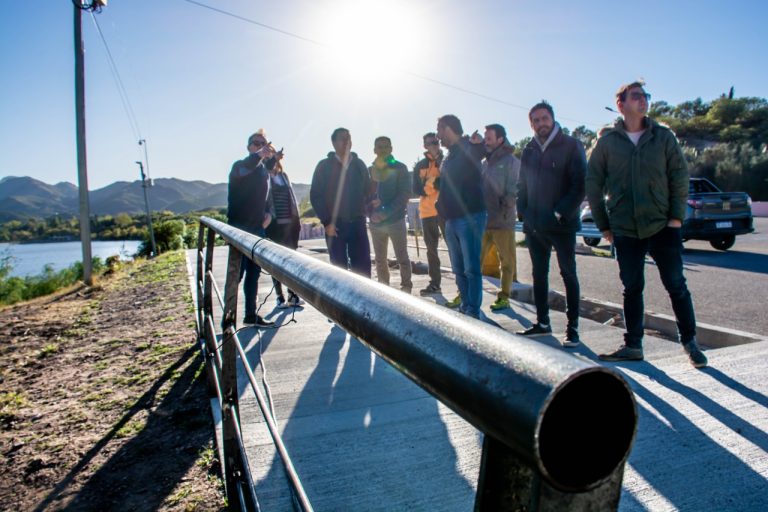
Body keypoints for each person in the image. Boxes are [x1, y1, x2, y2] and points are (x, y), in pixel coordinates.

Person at [586, 80, 707, 368]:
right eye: (636, 96)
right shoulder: (607, 143)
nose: (643, 101)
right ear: (621, 104)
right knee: (632, 287)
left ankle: (690, 342)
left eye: (645, 96)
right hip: (625, 228)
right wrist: (604, 225)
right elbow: (593, 183)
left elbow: (679, 177)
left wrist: (677, 218)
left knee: (676, 284)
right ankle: (633, 345)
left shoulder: (663, 137)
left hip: (663, 225)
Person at [517, 101, 585, 347]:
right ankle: (543, 323)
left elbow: (580, 184)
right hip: (535, 225)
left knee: (568, 274)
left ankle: (573, 328)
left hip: (562, 225)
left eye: (544, 118)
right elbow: (522, 185)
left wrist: (559, 212)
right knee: (539, 275)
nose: (540, 124)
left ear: (553, 119)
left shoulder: (571, 145)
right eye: (535, 120)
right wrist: (522, 212)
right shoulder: (529, 150)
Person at [435, 114, 487, 319]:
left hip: (470, 217)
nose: (438, 136)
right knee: (458, 268)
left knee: (471, 268)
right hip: (451, 219)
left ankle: (473, 310)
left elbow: (481, 152)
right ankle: (465, 306)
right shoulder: (449, 156)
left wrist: (480, 143)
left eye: (439, 130)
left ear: (448, 129)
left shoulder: (469, 147)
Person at [227, 130, 276, 326]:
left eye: (263, 143)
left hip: (257, 228)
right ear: (249, 147)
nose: (260, 146)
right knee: (236, 274)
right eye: (256, 143)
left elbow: (266, 196)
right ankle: (228, 319)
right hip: (239, 227)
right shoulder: (240, 166)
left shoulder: (263, 170)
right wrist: (258, 156)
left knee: (253, 275)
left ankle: (250, 314)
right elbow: (246, 169)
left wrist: (269, 215)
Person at [310, 127, 372, 277]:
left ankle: (362, 300)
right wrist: (326, 222)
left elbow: (368, 192)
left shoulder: (359, 165)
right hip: (335, 226)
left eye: (348, 138)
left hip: (357, 223)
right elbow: (316, 196)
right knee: (339, 270)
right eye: (342, 139)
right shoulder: (324, 166)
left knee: (363, 268)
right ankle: (341, 300)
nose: (346, 142)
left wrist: (371, 210)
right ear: (333, 143)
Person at [480, 123, 520, 311]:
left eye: (489, 138)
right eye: (485, 138)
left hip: (502, 221)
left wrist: (503, 209)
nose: (485, 141)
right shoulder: (484, 162)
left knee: (507, 261)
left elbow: (513, 189)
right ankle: (467, 293)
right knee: (475, 260)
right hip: (483, 221)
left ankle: (504, 296)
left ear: (500, 140)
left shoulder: (511, 161)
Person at [368, 136, 413, 292]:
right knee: (380, 260)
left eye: (386, 146)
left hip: (395, 221)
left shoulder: (400, 168)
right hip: (375, 224)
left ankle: (406, 289)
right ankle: (384, 291)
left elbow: (404, 194)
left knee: (403, 258)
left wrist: (384, 212)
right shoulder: (370, 170)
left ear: (391, 148)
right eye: (379, 147)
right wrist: (370, 212)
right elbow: (365, 196)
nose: (383, 150)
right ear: (374, 150)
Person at [264, 143, 304, 309]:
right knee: (276, 261)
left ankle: (292, 294)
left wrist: (297, 219)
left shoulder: (283, 176)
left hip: (290, 223)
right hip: (274, 225)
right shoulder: (264, 176)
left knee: (291, 260)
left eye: (272, 154)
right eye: (268, 155)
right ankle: (279, 296)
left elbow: (291, 198)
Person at [413, 132, 445, 296]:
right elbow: (416, 189)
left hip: (445, 211)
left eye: (436, 142)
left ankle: (463, 286)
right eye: (430, 143)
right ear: (425, 146)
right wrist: (433, 184)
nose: (434, 145)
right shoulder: (420, 165)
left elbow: (447, 183)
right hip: (426, 212)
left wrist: (430, 183)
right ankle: (435, 284)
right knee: (431, 250)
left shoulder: (446, 161)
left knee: (455, 249)